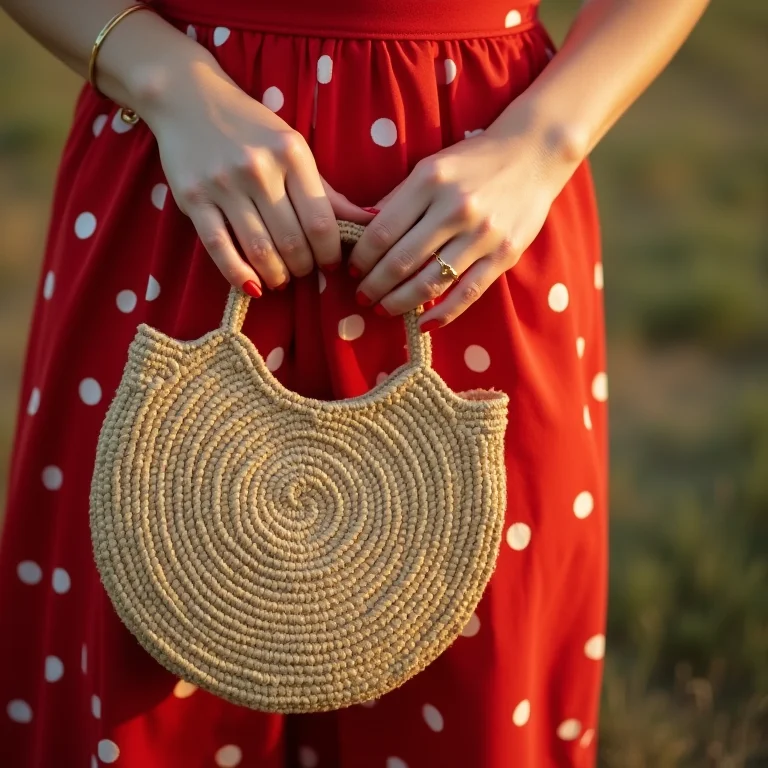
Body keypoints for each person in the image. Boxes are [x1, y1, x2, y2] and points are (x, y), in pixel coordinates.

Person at [0, 0, 709, 765]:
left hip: (476, 211)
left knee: (477, 666)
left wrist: (544, 142)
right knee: (147, 624)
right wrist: (167, 83)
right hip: (194, 174)